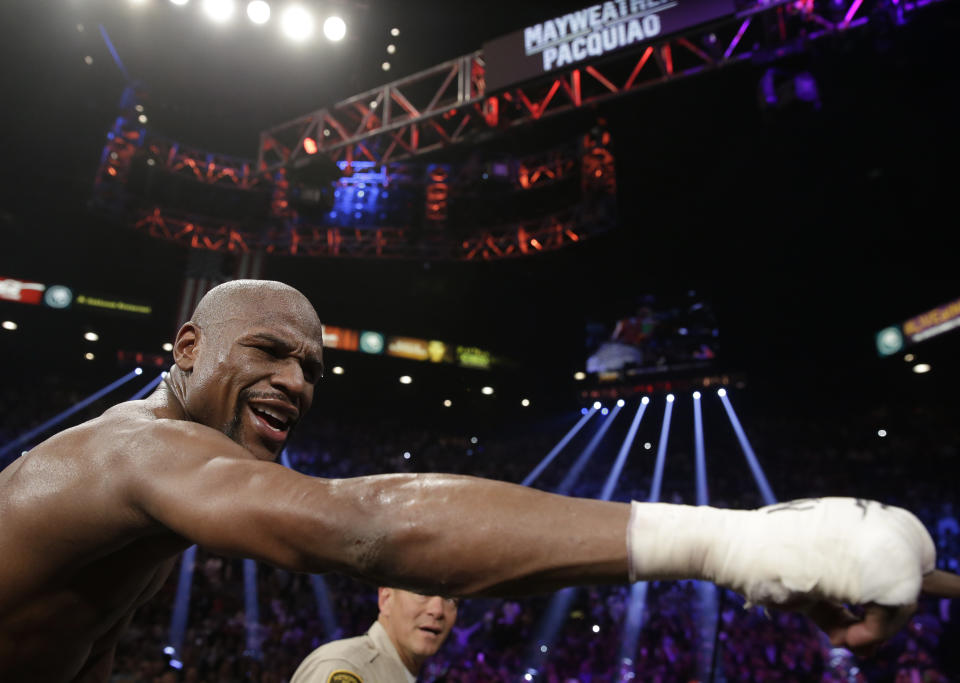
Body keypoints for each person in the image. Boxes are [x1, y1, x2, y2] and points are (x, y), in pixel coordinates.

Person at [0, 279, 955, 682]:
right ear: (188, 347)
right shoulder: (136, 450)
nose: (297, 382)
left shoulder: (160, 482)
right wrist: (738, 541)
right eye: (270, 351)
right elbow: (361, 524)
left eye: (314, 370)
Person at [291, 588, 458, 682]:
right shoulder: (347, 668)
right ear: (386, 599)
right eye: (422, 592)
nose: (438, 610)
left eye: (451, 599)